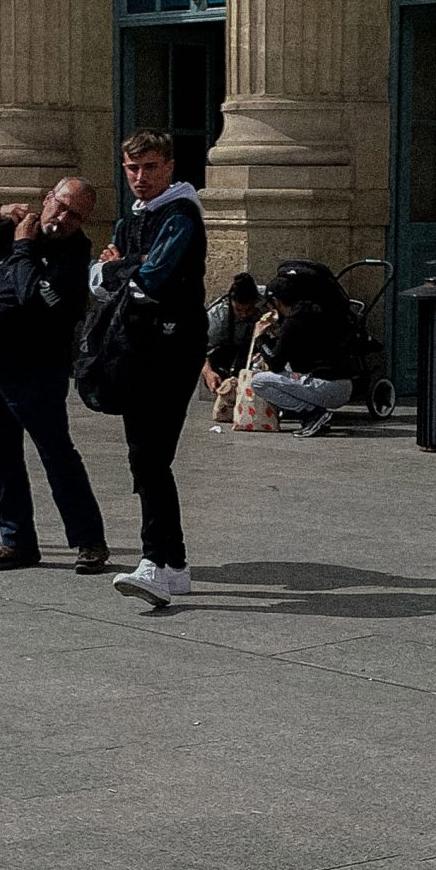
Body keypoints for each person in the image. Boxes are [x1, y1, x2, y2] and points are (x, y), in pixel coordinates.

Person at [0, 181, 108, 572]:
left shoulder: (72, 256)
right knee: (1, 459)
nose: (63, 219)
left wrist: (23, 248)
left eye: (75, 215)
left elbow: (32, 297)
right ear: (48, 199)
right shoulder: (14, 227)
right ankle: (18, 541)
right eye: (61, 206)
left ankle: (89, 541)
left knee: (57, 455)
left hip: (35, 372)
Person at [97, 128, 208, 609]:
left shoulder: (181, 213)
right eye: (131, 169)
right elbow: (105, 284)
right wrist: (121, 270)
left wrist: (120, 268)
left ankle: (154, 563)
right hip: (136, 347)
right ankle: (175, 566)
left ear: (169, 167)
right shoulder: (133, 219)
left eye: (149, 168)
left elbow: (151, 279)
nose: (139, 178)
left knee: (150, 457)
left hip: (172, 348)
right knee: (145, 456)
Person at [249, 266, 356, 437]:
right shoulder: (314, 312)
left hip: (327, 387)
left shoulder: (293, 322)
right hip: (342, 384)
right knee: (287, 372)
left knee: (259, 381)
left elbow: (276, 363)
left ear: (276, 301)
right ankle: (316, 414)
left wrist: (259, 338)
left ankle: (313, 414)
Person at [202, 271, 263, 424]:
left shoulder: (265, 305)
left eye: (249, 310)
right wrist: (208, 373)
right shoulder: (217, 316)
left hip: (253, 350)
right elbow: (198, 349)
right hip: (224, 350)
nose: (244, 315)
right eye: (239, 310)